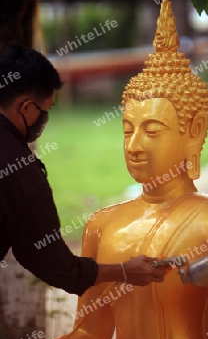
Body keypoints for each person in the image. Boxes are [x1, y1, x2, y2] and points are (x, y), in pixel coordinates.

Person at [9, 0, 208, 339]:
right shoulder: (103, 225)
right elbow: (90, 338)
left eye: (153, 130)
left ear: (193, 129)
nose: (135, 145)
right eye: (127, 130)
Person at [0, 44, 164, 296]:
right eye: (46, 111)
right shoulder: (20, 172)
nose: (135, 147)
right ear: (26, 107)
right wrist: (124, 271)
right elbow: (56, 266)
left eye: (153, 131)